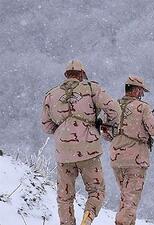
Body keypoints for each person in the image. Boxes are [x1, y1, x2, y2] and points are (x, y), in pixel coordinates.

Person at [41, 60, 121, 225]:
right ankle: (88, 217)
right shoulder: (91, 89)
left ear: (66, 75)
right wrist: (106, 126)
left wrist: (63, 127)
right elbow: (114, 109)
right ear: (82, 74)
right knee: (97, 190)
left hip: (63, 153)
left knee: (65, 196)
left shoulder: (51, 95)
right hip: (88, 150)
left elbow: (46, 126)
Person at [104, 75, 154, 225]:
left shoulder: (113, 106)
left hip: (116, 159)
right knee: (131, 199)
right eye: (141, 91)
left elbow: (105, 133)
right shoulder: (143, 108)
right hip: (136, 159)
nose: (142, 95)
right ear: (135, 90)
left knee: (125, 195)